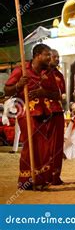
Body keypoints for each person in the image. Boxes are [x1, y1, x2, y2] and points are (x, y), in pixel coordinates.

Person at [3, 44, 63, 189]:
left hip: (45, 114)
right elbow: (7, 90)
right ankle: (25, 181)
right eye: (47, 55)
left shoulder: (48, 73)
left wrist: (44, 93)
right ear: (37, 55)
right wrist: (18, 86)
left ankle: (40, 180)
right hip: (26, 113)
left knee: (43, 147)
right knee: (32, 144)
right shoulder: (21, 70)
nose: (50, 58)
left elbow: (57, 95)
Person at [48, 49, 66, 185]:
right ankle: (44, 175)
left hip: (58, 111)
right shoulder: (41, 74)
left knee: (57, 145)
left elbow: (63, 93)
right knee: (45, 145)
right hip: (44, 112)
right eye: (55, 57)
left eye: (58, 57)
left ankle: (55, 176)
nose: (57, 59)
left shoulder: (59, 75)